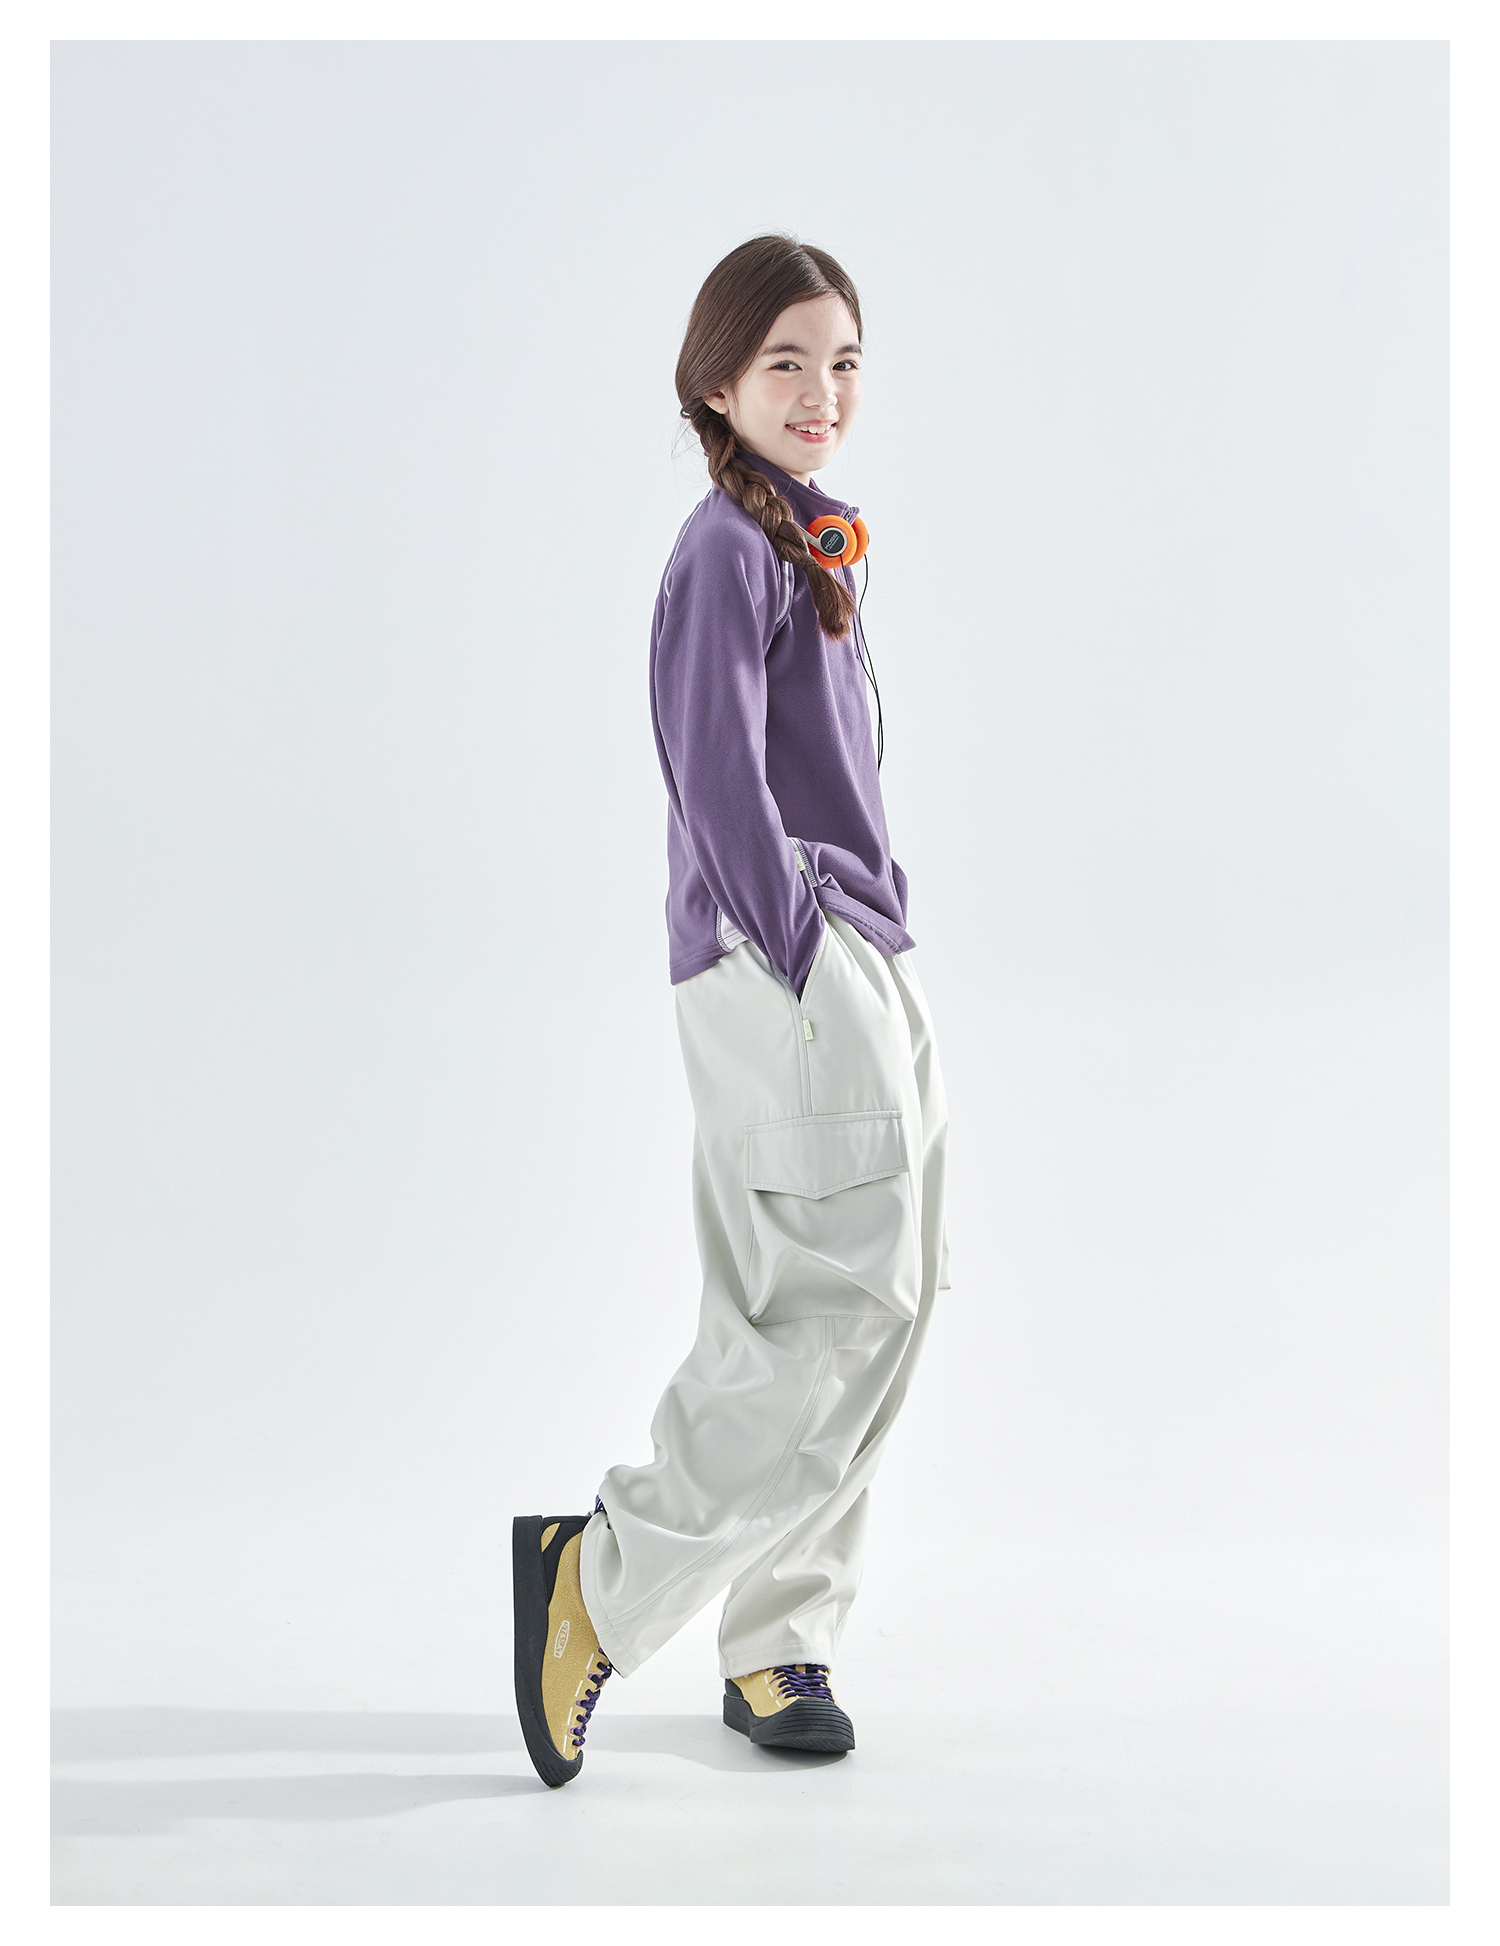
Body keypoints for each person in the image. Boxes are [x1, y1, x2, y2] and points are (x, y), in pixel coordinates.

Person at [512, 234, 950, 1788]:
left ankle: (779, 1632)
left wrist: (859, 940)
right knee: (830, 1308)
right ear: (717, 383)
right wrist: (803, 945)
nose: (822, 391)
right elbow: (714, 774)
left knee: (876, 1300)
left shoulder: (804, 536)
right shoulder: (725, 549)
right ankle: (603, 1575)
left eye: (844, 362)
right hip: (790, 961)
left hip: (850, 951)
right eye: (787, 363)